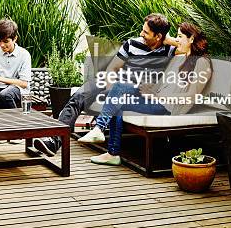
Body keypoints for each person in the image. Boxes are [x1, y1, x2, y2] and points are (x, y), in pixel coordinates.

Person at [33, 13, 176, 157]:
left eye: (146, 32)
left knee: (121, 89)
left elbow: (191, 47)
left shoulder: (169, 50)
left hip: (137, 91)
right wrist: (109, 88)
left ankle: (99, 130)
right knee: (80, 95)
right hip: (115, 84)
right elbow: (112, 69)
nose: (141, 34)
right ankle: (54, 140)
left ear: (158, 36)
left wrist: (169, 40)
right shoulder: (132, 44)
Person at [87, 22, 212, 166]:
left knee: (119, 96)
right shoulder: (180, 57)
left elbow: (191, 96)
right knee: (119, 92)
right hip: (157, 100)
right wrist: (151, 89)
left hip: (168, 107)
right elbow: (165, 83)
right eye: (176, 36)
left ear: (191, 39)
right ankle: (108, 146)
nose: (177, 40)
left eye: (180, 36)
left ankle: (104, 137)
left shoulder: (202, 62)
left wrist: (158, 96)